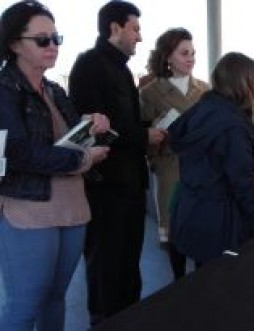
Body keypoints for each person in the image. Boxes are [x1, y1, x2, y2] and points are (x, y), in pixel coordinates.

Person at [0, 1, 110, 329]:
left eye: (56, 38)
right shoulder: (4, 90)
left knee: (56, 298)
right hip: (28, 209)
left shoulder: (53, 89)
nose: (52, 46)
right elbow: (18, 152)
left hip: (72, 206)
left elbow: (73, 137)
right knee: (26, 303)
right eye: (42, 40)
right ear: (15, 44)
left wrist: (91, 125)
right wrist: (81, 159)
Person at [68, 1, 166, 325]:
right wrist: (143, 136)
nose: (140, 37)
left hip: (130, 185)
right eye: (135, 28)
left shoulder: (121, 68)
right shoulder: (89, 65)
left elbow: (120, 121)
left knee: (128, 263)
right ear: (115, 28)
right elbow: (93, 131)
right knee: (107, 266)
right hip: (106, 188)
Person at [168, 52, 254, 265]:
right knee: (222, 289)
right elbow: (242, 183)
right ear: (242, 85)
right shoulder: (232, 126)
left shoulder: (201, 110)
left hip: (189, 211)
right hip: (220, 223)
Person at [139, 27, 209, 279]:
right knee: (175, 230)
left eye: (192, 53)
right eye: (184, 53)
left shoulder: (205, 89)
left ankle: (202, 280)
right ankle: (178, 281)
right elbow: (142, 138)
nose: (190, 58)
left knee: (202, 228)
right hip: (170, 169)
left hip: (202, 169)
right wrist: (155, 143)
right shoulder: (149, 93)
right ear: (168, 57)